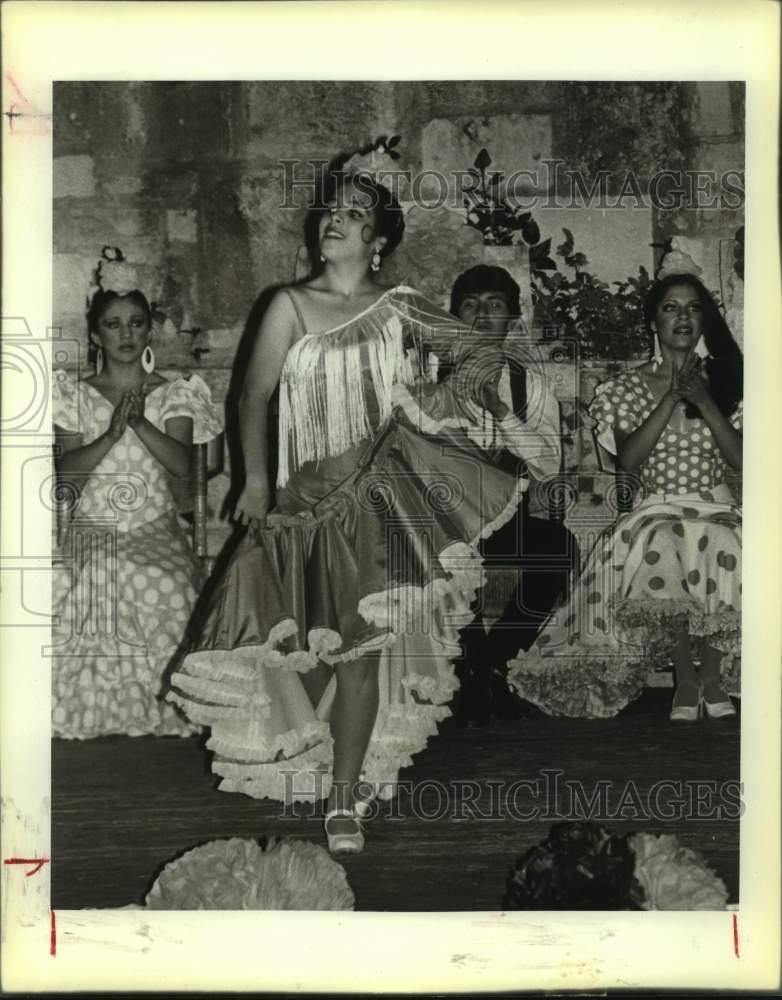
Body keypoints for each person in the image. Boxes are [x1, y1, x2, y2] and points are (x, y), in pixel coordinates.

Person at [167, 142, 528, 853]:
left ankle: (343, 801)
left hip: (374, 493)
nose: (335, 220)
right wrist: (255, 478)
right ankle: (312, 758)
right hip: (298, 498)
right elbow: (253, 394)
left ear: (380, 239)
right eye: (331, 210)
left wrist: (429, 409)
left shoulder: (400, 309)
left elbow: (479, 353)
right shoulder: (288, 304)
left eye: (355, 213)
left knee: (362, 647)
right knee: (299, 644)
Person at [507, 269, 743, 721]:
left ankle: (711, 674)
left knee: (726, 542)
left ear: (705, 319)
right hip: (656, 508)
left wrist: (706, 400)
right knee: (663, 542)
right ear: (653, 321)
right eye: (670, 308)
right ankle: (685, 677)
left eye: (694, 308)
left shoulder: (730, 379)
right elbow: (628, 462)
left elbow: (741, 460)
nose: (683, 317)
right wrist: (672, 397)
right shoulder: (625, 388)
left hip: (716, 506)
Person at [52, 252, 223, 738]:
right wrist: (108, 435)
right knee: (100, 571)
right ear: (95, 335)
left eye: (136, 323)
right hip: (91, 528)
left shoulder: (175, 393)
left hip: (154, 528)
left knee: (164, 583)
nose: (126, 334)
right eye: (113, 325)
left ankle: (162, 703)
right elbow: (66, 478)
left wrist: (140, 423)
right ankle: (97, 704)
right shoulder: (73, 395)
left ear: (150, 331)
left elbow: (185, 472)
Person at [446, 265, 579, 724]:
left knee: (558, 548)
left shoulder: (532, 385)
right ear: (454, 316)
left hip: (505, 518)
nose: (482, 315)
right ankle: (471, 667)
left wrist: (501, 412)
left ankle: (493, 662)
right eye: (470, 305)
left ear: (513, 319)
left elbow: (547, 464)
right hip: (445, 523)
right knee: (421, 551)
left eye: (494, 305)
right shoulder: (427, 379)